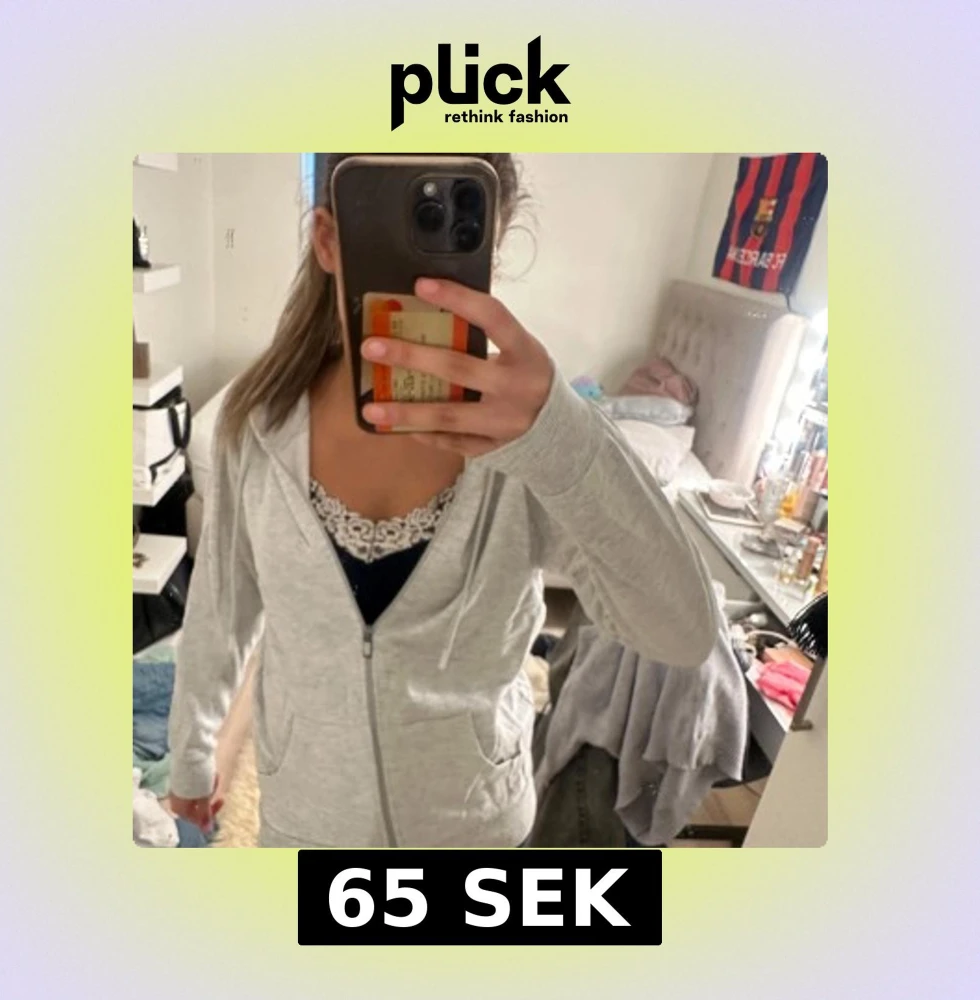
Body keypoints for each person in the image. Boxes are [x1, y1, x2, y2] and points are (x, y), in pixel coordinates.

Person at [166, 153, 717, 848]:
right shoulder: (258, 428)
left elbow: (682, 633)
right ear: (330, 240)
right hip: (305, 822)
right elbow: (221, 606)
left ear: (493, 248)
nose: (423, 279)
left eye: (456, 233)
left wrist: (563, 437)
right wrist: (191, 752)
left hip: (474, 831)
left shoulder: (531, 444)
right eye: (391, 227)